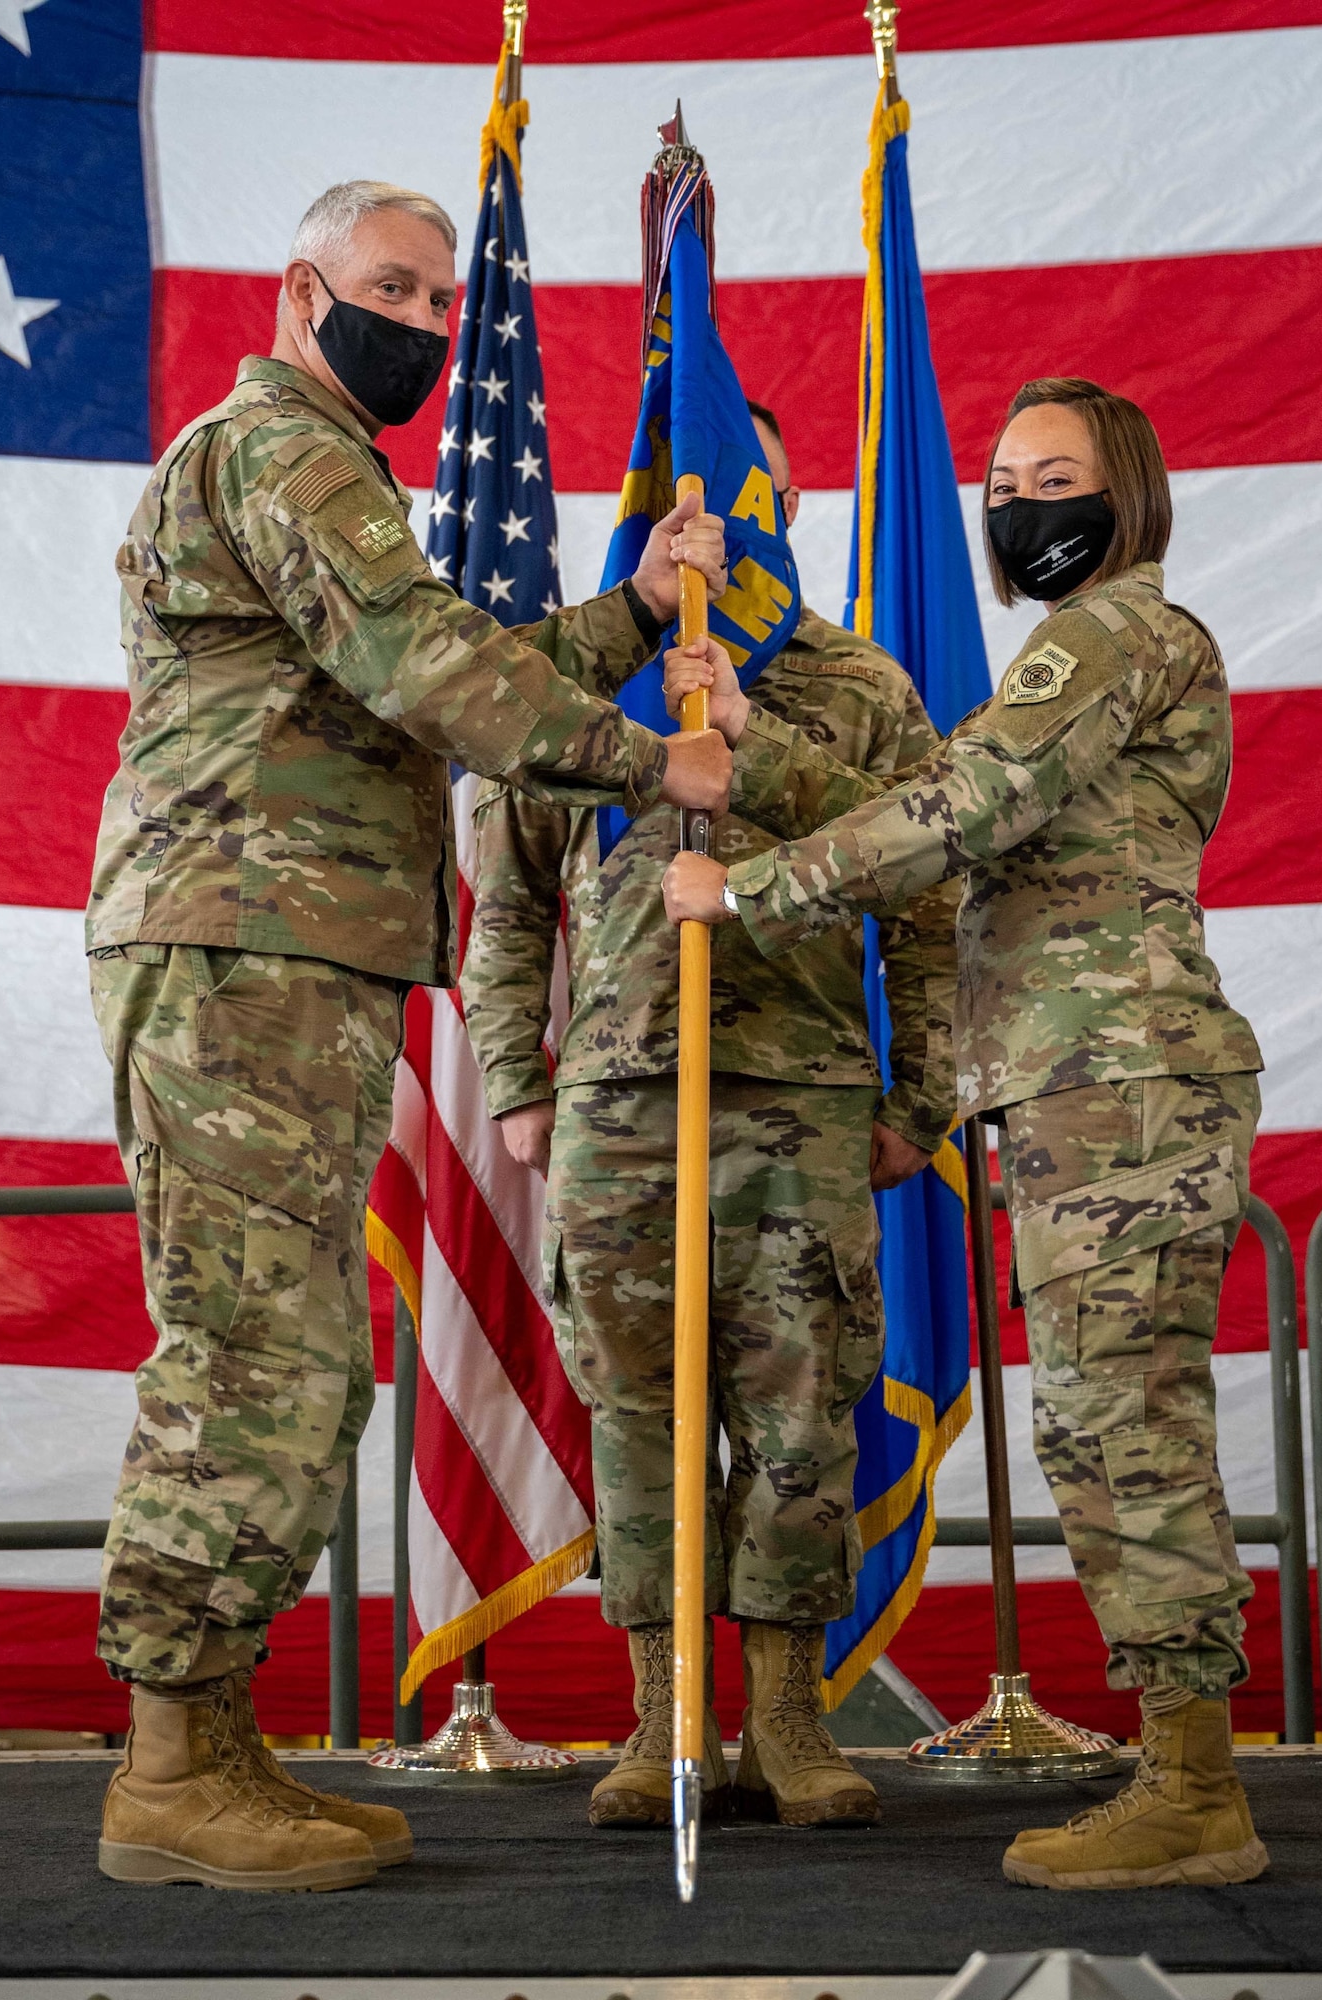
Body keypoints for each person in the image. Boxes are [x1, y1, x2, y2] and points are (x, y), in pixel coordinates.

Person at [85, 179, 731, 1894]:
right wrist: (652, 758)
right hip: (241, 941)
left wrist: (626, 621)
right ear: (302, 290)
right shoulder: (286, 446)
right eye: (397, 289)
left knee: (287, 1348)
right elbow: (417, 658)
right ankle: (167, 1762)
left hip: (274, 945)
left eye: (448, 303)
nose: (431, 324)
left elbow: (437, 659)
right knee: (254, 1352)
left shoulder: (303, 462)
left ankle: (209, 1744)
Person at [662, 377, 1269, 1891]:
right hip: (1085, 1087)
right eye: (999, 477)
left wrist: (754, 884)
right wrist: (755, 739)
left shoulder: (1118, 630)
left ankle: (1195, 1789)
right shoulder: (1085, 657)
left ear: (1122, 488)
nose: (1016, 499)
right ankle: (1181, 1767)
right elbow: (959, 800)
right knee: (1102, 1417)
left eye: (1051, 472)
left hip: (1116, 1084)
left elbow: (970, 805)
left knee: (1124, 1423)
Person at [461, 403, 959, 1830]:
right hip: (616, 1110)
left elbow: (927, 893)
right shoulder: (581, 690)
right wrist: (519, 1092)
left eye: (751, 488)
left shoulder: (856, 686)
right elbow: (504, 914)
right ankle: (663, 1714)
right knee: (640, 1417)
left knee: (802, 1421)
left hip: (800, 1109)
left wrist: (915, 1104)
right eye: (692, 494)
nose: (720, 520)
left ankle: (790, 1721)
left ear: (787, 500)